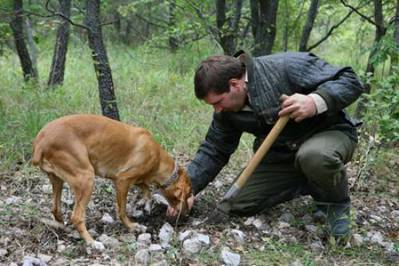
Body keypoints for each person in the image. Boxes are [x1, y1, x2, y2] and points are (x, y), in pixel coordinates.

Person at [167, 50, 364, 239]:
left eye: (218, 102)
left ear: (234, 84)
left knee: (315, 157)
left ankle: (334, 204)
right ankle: (309, 181)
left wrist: (315, 101)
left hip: (329, 134)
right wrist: (186, 189)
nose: (217, 110)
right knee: (238, 203)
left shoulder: (286, 66)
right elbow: (213, 150)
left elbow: (351, 80)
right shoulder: (225, 112)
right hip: (281, 155)